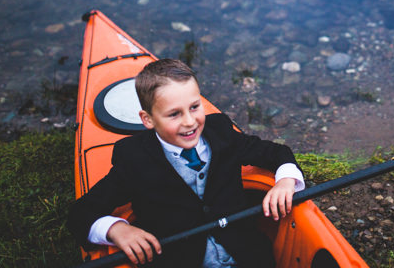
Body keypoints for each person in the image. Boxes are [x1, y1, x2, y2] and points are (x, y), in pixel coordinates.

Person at [68, 59, 304, 267]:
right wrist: (116, 229)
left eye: (194, 106)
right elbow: (81, 213)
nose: (190, 122)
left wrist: (285, 181)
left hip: (248, 258)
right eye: (174, 114)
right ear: (147, 119)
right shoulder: (133, 159)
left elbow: (276, 153)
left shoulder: (221, 131)